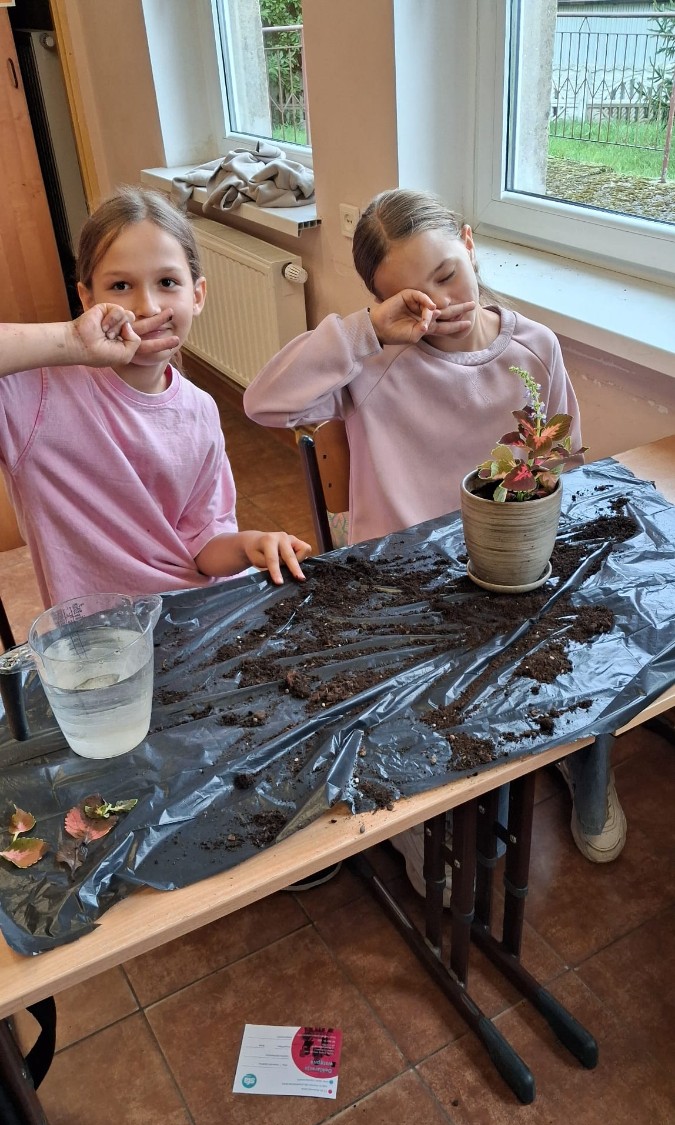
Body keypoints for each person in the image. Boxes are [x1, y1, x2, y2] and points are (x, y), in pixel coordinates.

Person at [243, 187, 627, 902]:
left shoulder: (534, 347)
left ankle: (586, 760)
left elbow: (562, 462)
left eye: (448, 275)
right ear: (383, 303)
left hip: (509, 566)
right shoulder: (372, 363)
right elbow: (263, 402)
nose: (441, 306)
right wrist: (365, 332)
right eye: (411, 298)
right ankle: (420, 821)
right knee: (424, 718)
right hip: (405, 582)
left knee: (593, 629)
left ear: (471, 244)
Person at [0, 186, 311, 609]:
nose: (147, 306)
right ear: (87, 298)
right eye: (120, 285)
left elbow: (202, 544)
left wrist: (249, 544)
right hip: (106, 635)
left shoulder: (199, 410)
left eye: (167, 282)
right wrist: (71, 339)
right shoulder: (34, 395)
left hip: (195, 612)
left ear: (196, 295)